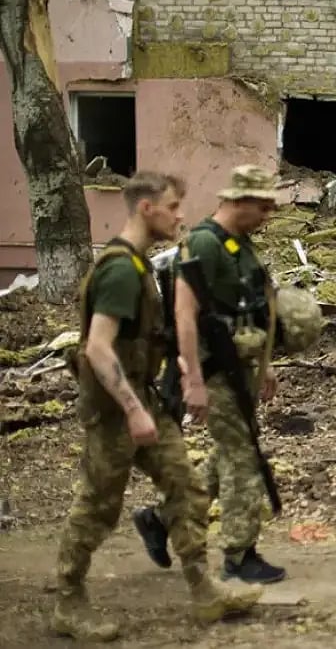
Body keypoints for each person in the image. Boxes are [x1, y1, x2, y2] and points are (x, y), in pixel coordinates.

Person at [53, 171, 263, 642]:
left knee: (186, 489)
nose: (181, 215)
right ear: (147, 209)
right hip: (114, 411)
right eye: (172, 206)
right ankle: (68, 601)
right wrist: (132, 409)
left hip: (145, 399)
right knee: (97, 506)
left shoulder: (140, 264)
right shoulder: (121, 271)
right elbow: (98, 348)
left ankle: (204, 590)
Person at [132, 165, 288, 584]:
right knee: (242, 458)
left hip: (241, 368)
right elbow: (185, 314)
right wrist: (193, 381)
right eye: (262, 206)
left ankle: (161, 519)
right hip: (213, 371)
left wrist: (265, 363)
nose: (267, 214)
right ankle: (239, 554)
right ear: (238, 201)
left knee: (228, 455)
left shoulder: (240, 245)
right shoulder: (203, 242)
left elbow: (251, 308)